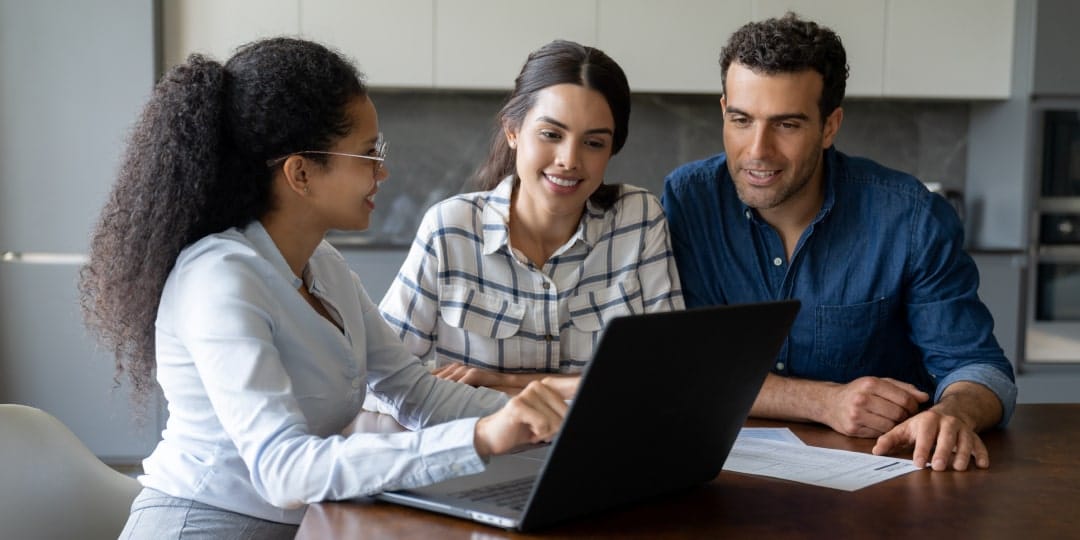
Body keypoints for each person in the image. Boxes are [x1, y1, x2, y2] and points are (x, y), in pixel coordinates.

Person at [78, 37, 573, 539]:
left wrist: (557, 423)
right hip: (203, 526)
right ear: (301, 173)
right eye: (366, 154)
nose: (383, 171)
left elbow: (416, 393)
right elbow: (283, 471)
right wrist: (482, 437)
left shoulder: (323, 266)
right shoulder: (219, 279)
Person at [661, 14, 1017, 472]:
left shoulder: (910, 217)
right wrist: (823, 401)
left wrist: (953, 413)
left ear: (830, 126)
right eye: (741, 120)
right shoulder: (689, 201)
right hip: (723, 479)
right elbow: (687, 368)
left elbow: (980, 368)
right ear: (724, 109)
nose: (757, 150)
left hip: (885, 479)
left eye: (787, 125)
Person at [377, 40, 684, 396]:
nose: (569, 159)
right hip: (479, 447)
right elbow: (382, 377)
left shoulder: (639, 219)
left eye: (594, 143)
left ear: (612, 149)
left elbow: (669, 374)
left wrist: (508, 384)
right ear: (513, 131)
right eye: (551, 135)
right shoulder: (450, 228)